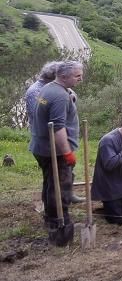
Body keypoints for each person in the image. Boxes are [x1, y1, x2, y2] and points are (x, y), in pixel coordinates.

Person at [29, 60, 84, 245]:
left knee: (50, 183)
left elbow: (45, 110)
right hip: (54, 150)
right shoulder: (59, 96)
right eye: (77, 76)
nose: (80, 79)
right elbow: (58, 128)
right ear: (64, 76)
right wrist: (67, 152)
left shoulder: (46, 89)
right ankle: (59, 222)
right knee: (60, 186)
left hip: (41, 146)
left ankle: (50, 217)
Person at [23, 61, 60, 130]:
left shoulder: (52, 87)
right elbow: (39, 114)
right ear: (53, 77)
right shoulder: (35, 92)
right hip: (42, 133)